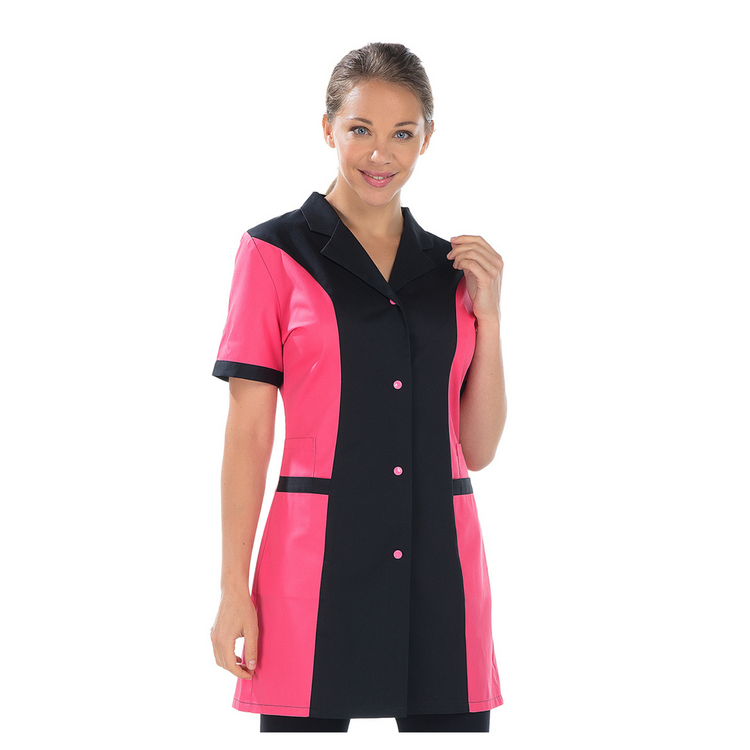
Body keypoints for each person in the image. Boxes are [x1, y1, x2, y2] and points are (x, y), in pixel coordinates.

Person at [209, 41, 507, 733]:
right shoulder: (274, 254)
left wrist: (490, 318)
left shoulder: (452, 270)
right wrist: (232, 589)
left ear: (427, 138)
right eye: (360, 129)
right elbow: (249, 433)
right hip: (313, 571)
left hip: (441, 572)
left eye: (403, 133)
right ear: (328, 129)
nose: (381, 154)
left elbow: (478, 448)